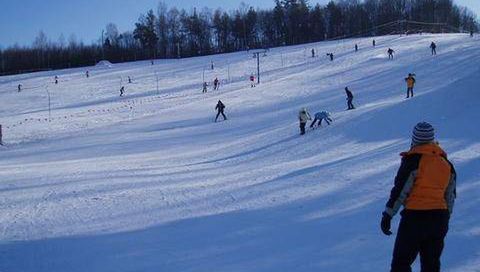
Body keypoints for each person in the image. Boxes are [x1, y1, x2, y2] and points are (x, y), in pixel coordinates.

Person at [381, 122, 456, 272]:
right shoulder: (446, 164)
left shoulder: (413, 161)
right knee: (431, 263)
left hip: (415, 218)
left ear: (414, 139)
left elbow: (400, 190)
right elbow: (450, 196)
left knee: (401, 263)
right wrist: (445, 217)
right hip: (438, 219)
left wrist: (388, 215)